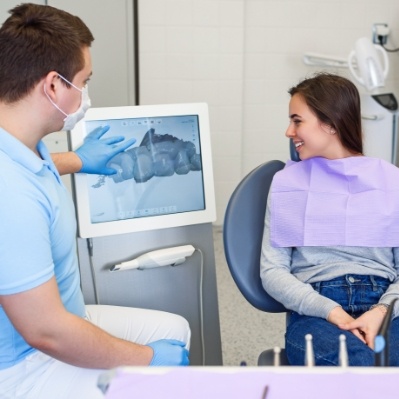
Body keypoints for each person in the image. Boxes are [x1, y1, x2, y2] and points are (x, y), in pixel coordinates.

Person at [0, 4, 190, 398]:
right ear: (53, 86)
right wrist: (144, 359)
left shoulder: (20, 145)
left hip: (66, 315)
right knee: (158, 378)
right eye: (83, 82)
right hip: (25, 365)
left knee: (176, 330)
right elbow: (46, 332)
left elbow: (30, 172)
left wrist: (80, 160)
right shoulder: (9, 193)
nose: (85, 95)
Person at [260, 72, 399, 366]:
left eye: (297, 120)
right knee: (360, 367)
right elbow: (272, 271)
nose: (288, 131)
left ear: (331, 123)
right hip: (316, 311)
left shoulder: (391, 181)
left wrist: (382, 310)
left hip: (388, 305)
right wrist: (331, 311)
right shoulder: (287, 184)